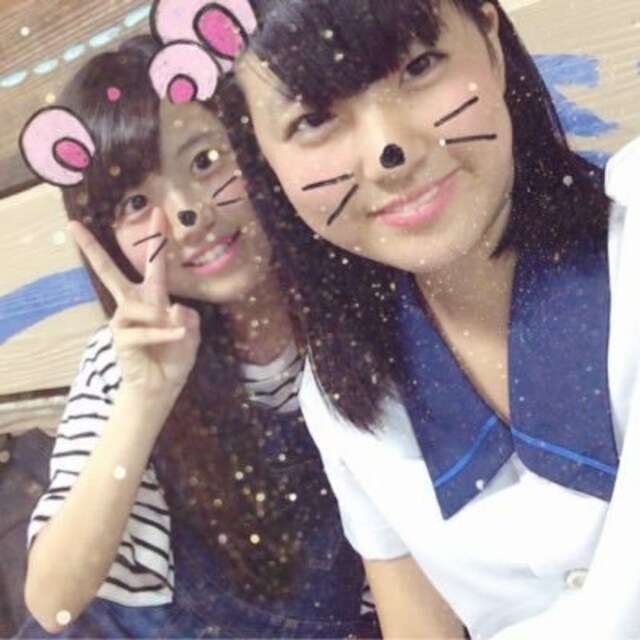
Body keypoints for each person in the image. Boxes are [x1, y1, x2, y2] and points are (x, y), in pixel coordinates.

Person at [219, 0, 639, 637]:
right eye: (314, 118)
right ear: (262, 159)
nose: (388, 149)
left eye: (418, 66)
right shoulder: (341, 396)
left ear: (491, 43)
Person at [17, 35, 378, 639]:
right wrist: (146, 398)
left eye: (206, 161)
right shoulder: (125, 359)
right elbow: (53, 601)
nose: (189, 214)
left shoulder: (359, 317)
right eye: (136, 201)